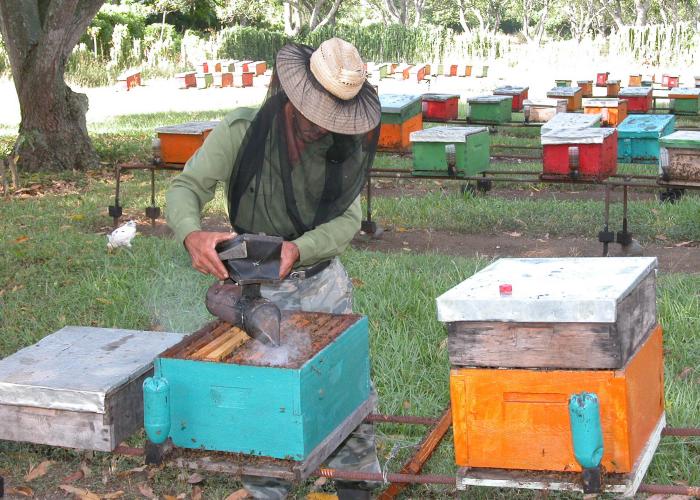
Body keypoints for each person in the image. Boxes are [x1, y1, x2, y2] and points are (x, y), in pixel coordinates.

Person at [165, 38, 382, 499]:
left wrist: (298, 250)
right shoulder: (242, 130)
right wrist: (192, 233)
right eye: (312, 115)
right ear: (291, 94)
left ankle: (358, 489)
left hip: (323, 287)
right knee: (264, 414)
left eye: (330, 120)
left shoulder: (342, 144)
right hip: (256, 294)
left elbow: (348, 218)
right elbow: (187, 187)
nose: (319, 128)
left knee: (347, 404)